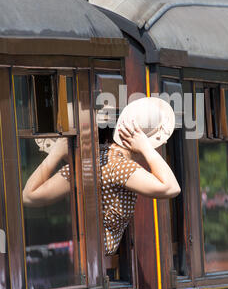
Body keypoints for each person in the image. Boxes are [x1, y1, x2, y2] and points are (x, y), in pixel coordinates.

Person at [23, 97, 181, 255]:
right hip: (98, 264)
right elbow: (171, 188)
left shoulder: (92, 164)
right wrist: (146, 148)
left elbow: (29, 196)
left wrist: (56, 154)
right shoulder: (118, 166)